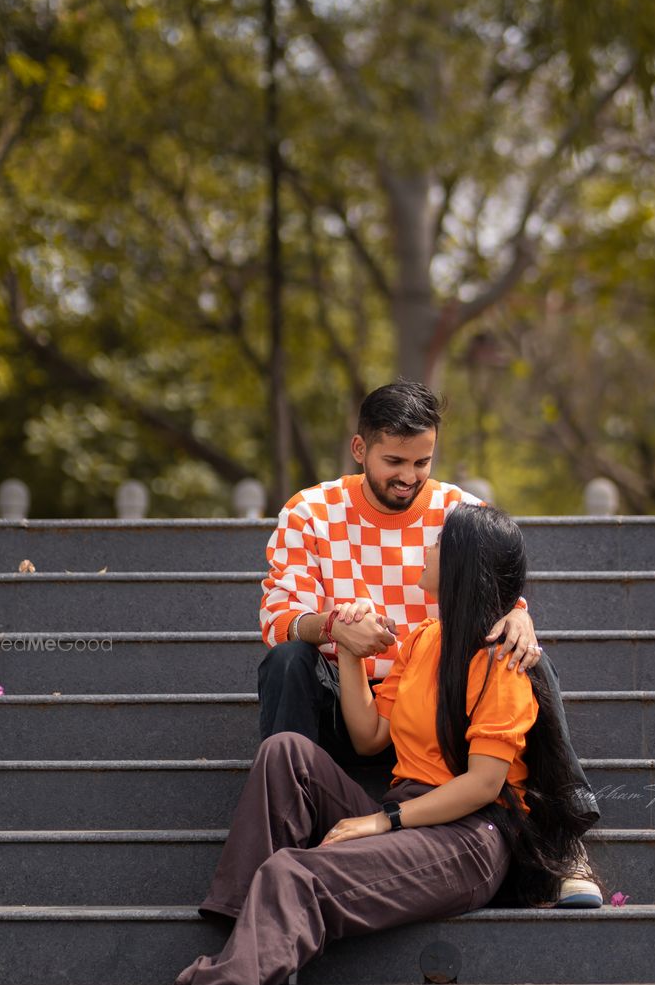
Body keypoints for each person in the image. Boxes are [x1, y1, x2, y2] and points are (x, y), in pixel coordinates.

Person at [119, 503, 602, 985]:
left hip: (470, 838)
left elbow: (483, 783)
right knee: (285, 753)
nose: (424, 550)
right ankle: (247, 935)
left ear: (463, 565)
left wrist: (383, 823)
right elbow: (370, 737)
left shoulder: (503, 662)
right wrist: (350, 651)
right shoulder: (425, 640)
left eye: (437, 545)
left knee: (292, 872)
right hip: (411, 809)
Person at [257, 377, 602, 905]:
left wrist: (521, 619)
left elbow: (500, 596)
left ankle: (569, 834)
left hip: (440, 708)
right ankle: (283, 836)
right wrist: (332, 629)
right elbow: (278, 616)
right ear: (359, 449)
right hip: (349, 704)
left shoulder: (459, 511)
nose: (409, 477)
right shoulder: (310, 511)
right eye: (394, 461)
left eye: (422, 462)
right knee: (287, 660)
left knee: (528, 660)